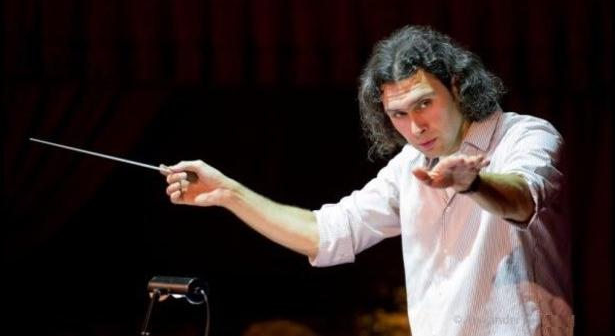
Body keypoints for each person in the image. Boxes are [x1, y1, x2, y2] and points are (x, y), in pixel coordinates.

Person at [161, 25, 573, 336]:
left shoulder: (525, 135)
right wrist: (229, 193)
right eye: (398, 114)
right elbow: (326, 234)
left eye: (424, 104)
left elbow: (523, 199)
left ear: (457, 84)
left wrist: (474, 183)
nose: (415, 127)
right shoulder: (409, 165)